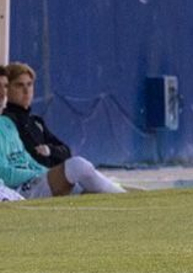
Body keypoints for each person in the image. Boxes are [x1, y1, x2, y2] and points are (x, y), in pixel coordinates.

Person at [0, 69, 122, 200]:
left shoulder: (10, 123)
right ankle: (126, 198)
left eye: (5, 87)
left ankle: (128, 199)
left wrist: (49, 157)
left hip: (36, 178)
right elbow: (5, 174)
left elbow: (29, 158)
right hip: (20, 187)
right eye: (19, 85)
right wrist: (43, 173)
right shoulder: (14, 119)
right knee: (77, 166)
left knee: (88, 188)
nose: (2, 93)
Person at [1, 63, 71, 167]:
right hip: (30, 178)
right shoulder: (7, 122)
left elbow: (66, 151)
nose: (26, 91)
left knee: (78, 166)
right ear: (8, 89)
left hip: (49, 175)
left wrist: (50, 150)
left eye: (29, 84)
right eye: (19, 85)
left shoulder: (36, 122)